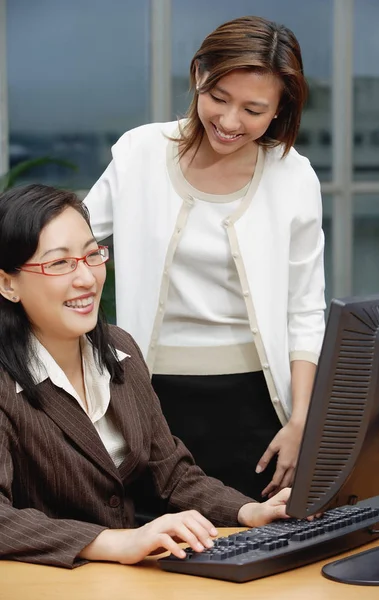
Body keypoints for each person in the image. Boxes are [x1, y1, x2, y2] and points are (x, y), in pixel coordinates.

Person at [84, 16, 326, 511]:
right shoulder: (140, 154)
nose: (231, 121)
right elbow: (72, 241)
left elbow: (305, 311)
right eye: (219, 97)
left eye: (254, 109)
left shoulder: (293, 176)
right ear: (199, 74)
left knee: (258, 554)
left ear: (280, 110)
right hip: (150, 403)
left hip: (259, 410)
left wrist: (301, 421)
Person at [0, 184, 293, 568]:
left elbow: (170, 474)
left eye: (92, 255)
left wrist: (249, 513)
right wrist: (116, 543)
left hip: (129, 580)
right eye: (59, 263)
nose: (87, 278)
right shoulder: (7, 381)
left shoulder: (118, 350)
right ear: (8, 283)